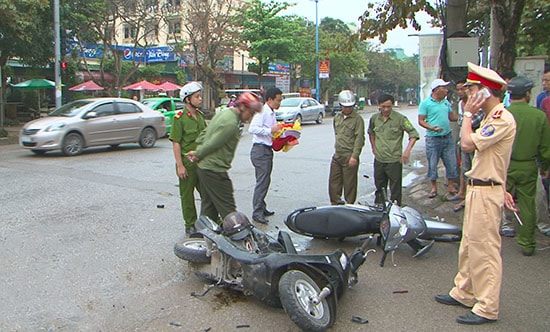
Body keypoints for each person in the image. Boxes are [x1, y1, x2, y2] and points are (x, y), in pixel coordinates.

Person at [435, 62, 517, 325]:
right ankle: (465, 291)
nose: (467, 96)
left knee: (485, 251)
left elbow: (467, 145)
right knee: (469, 246)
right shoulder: (490, 119)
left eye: (471, 91)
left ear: (485, 92)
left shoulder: (501, 119)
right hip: (479, 188)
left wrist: (467, 116)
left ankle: (487, 306)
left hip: (486, 191)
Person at [187, 92, 262, 223]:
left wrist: (198, 151)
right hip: (214, 171)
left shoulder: (224, 113)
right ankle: (239, 240)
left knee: (209, 208)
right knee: (229, 211)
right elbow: (213, 144)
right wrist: (198, 154)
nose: (251, 117)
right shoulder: (231, 124)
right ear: (242, 107)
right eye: (251, 112)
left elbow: (203, 135)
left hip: (204, 168)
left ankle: (203, 236)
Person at [498, 76, 550, 254]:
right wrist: (544, 167)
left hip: (504, 165)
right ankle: (527, 244)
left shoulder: (501, 114)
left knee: (496, 201)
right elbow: (545, 148)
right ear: (527, 94)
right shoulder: (539, 116)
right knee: (527, 204)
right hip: (528, 166)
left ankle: (489, 241)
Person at [169, 82, 207, 236]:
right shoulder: (180, 118)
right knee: (187, 195)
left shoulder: (200, 116)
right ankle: (190, 224)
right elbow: (176, 142)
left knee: (207, 193)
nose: (200, 99)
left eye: (200, 96)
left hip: (201, 162)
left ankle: (211, 220)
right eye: (197, 97)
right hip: (187, 163)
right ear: (187, 100)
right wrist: (180, 165)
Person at [368, 93, 419, 205]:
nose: (386, 109)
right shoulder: (374, 118)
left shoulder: (400, 119)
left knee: (395, 190)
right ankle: (379, 210)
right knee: (379, 188)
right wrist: (373, 147)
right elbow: (371, 133)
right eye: (383, 107)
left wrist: (407, 152)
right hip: (380, 159)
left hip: (394, 160)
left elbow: (414, 134)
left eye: (389, 107)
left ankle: (395, 212)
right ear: (379, 105)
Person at [418, 78, 459, 199]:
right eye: (444, 88)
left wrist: (466, 117)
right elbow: (421, 120)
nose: (446, 90)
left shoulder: (446, 103)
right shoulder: (426, 103)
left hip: (447, 137)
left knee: (451, 162)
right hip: (433, 138)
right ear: (436, 90)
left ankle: (451, 186)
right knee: (433, 164)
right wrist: (431, 127)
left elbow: (452, 117)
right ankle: (434, 188)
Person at [248, 87, 283, 224]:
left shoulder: (271, 112)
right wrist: (270, 130)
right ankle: (257, 212)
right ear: (269, 99)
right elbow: (252, 129)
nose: (279, 103)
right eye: (277, 100)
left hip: (267, 150)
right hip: (260, 150)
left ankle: (262, 207)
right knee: (262, 182)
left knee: (265, 181)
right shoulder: (262, 112)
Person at [451, 81, 485, 212]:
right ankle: (463, 194)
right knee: (465, 169)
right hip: (465, 139)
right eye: (466, 89)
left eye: (471, 89)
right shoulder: (463, 104)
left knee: (474, 170)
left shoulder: (480, 106)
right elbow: (461, 121)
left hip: (476, 144)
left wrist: (467, 114)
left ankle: (470, 199)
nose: (466, 92)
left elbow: (470, 121)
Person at [328, 90, 365, 205]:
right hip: (338, 154)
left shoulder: (357, 119)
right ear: (340, 105)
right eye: (345, 106)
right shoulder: (337, 117)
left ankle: (349, 205)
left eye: (350, 106)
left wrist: (354, 156)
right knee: (334, 183)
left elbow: (359, 139)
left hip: (349, 155)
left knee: (350, 184)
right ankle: (335, 204)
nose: (348, 109)